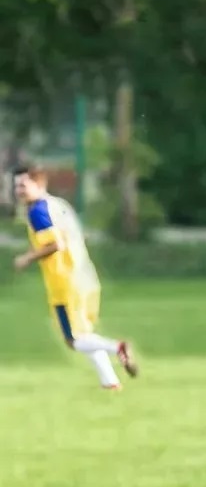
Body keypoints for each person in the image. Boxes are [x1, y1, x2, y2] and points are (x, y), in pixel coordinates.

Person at [12, 163, 138, 390]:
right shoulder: (57, 204)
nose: (18, 191)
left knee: (74, 340)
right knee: (86, 335)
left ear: (39, 183)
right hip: (85, 277)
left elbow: (55, 244)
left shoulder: (38, 211)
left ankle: (118, 347)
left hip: (65, 282)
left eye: (23, 185)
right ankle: (110, 383)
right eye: (16, 187)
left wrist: (27, 258)